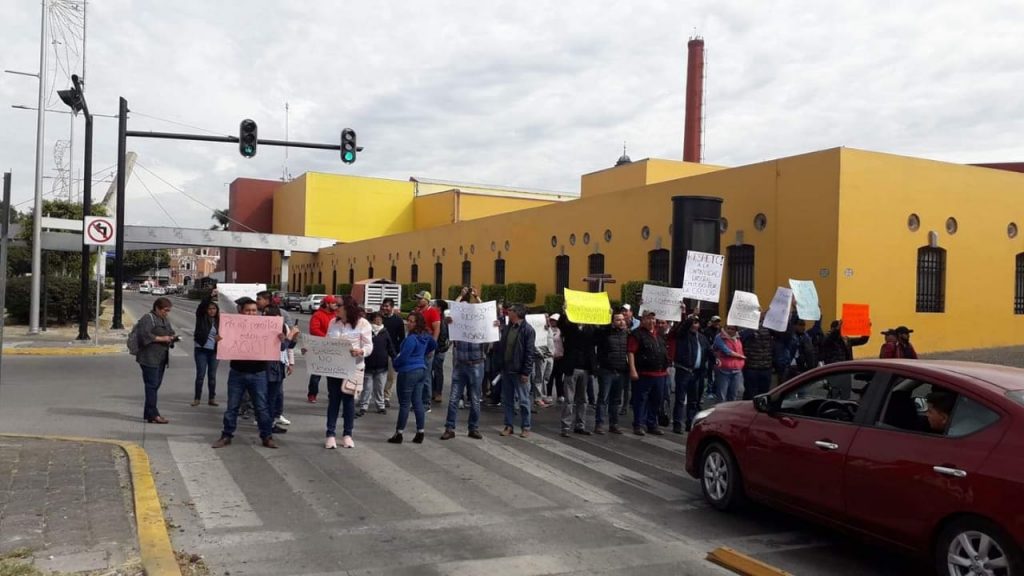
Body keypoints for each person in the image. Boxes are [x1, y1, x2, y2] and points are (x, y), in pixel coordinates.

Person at [212, 297, 278, 449]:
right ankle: (227, 435)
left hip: (259, 373)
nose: (251, 313)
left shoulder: (266, 326)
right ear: (241, 312)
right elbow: (220, 352)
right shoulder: (232, 327)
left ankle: (266, 436)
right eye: (248, 310)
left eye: (254, 310)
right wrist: (219, 342)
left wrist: (281, 339)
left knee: (261, 407)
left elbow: (279, 348)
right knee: (232, 407)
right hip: (238, 372)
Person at [323, 295, 372, 449]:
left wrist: (361, 351)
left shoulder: (362, 323)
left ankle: (347, 434)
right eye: (334, 305)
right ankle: (330, 434)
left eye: (338, 305)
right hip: (335, 368)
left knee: (349, 401)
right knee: (334, 401)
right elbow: (327, 341)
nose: (334, 308)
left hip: (353, 368)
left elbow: (369, 346)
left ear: (347, 307)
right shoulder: (333, 322)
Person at [441, 292, 488, 439]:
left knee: (475, 398)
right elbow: (451, 309)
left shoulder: (481, 326)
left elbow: (486, 312)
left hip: (476, 364)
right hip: (460, 364)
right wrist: (460, 296)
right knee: (454, 397)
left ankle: (473, 428)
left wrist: (478, 297)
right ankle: (449, 428)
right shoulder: (454, 324)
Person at [389, 311, 436, 444]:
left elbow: (403, 356)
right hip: (421, 370)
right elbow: (434, 345)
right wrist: (423, 354)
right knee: (417, 403)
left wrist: (395, 364)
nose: (408, 323)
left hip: (408, 371)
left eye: (411, 321)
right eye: (408, 320)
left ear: (417, 323)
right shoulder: (425, 336)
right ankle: (420, 432)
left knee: (404, 403)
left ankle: (399, 433)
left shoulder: (411, 339)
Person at [495, 303, 535, 438]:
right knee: (507, 400)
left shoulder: (527, 330)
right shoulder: (508, 328)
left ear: (517, 313)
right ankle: (508, 425)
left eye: (510, 310)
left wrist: (526, 372)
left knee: (524, 400)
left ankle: (526, 427)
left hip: (519, 372)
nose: (508, 312)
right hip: (507, 369)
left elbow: (529, 353)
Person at [627, 310, 670, 436]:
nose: (651, 321)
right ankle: (638, 424)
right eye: (648, 318)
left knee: (656, 400)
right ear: (642, 320)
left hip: (660, 374)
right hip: (643, 373)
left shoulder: (659, 334)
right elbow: (631, 352)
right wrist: (633, 369)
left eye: (653, 319)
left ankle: (652, 424)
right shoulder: (636, 334)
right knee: (640, 400)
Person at [136, 297, 177, 424]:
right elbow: (144, 336)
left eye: (168, 311)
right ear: (157, 308)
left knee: (155, 386)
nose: (166, 313)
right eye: (165, 310)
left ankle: (149, 414)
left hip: (161, 358)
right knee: (151, 386)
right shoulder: (148, 318)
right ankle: (154, 414)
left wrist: (172, 337)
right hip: (149, 358)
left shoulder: (164, 319)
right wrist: (161, 338)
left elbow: (170, 331)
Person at [670, 315, 713, 433]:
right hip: (684, 371)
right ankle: (677, 424)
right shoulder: (683, 335)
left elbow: (709, 351)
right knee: (680, 399)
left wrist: (715, 360)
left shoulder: (703, 338)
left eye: (697, 323)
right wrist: (690, 317)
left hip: (697, 373)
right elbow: (682, 328)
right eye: (693, 323)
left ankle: (690, 423)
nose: (695, 325)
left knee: (693, 401)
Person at [557, 312, 596, 436]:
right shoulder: (570, 327)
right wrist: (565, 312)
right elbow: (561, 324)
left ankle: (580, 425)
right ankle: (566, 427)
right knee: (569, 399)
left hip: (585, 368)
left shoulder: (590, 328)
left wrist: (609, 317)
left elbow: (601, 335)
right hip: (571, 367)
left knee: (582, 399)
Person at [264, 306, 300, 434]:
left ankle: (271, 422)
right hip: (269, 366)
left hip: (279, 365)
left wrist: (294, 336)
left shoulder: (283, 327)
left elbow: (288, 346)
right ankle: (266, 424)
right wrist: (290, 335)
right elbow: (280, 347)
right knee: (269, 396)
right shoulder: (266, 329)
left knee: (275, 395)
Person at [593, 310, 630, 435]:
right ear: (612, 322)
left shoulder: (626, 334)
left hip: (621, 371)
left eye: (622, 319)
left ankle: (614, 424)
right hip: (607, 370)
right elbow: (598, 335)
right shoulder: (605, 333)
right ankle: (599, 424)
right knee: (603, 398)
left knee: (616, 400)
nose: (621, 322)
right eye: (618, 320)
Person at [357, 312, 394, 417]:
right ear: (372, 320)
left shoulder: (385, 332)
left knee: (380, 387)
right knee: (367, 388)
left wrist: (395, 358)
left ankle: (380, 406)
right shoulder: (367, 332)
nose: (378, 321)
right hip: (369, 364)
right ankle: (363, 406)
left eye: (380, 319)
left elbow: (390, 347)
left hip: (382, 366)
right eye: (376, 319)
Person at [305, 295, 337, 403]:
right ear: (327, 304)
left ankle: (332, 395)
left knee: (332, 374)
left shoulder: (337, 315)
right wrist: (326, 338)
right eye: (333, 303)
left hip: (333, 349)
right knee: (316, 374)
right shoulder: (317, 315)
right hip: (319, 348)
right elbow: (314, 329)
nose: (335, 305)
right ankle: (312, 394)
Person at [192, 299, 220, 407]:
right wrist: (209, 296)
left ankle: (211, 398)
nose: (212, 311)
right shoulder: (201, 318)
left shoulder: (219, 321)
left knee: (212, 376)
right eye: (210, 309)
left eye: (214, 309)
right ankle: (197, 398)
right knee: (200, 375)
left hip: (214, 351)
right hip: (201, 350)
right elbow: (201, 307)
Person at [379, 297, 406, 407]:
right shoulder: (378, 319)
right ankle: (378, 396)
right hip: (379, 352)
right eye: (384, 306)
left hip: (392, 352)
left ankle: (386, 397)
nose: (385, 308)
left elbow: (402, 337)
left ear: (392, 308)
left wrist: (398, 352)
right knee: (378, 376)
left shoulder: (398, 320)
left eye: (387, 306)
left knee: (390, 377)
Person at [740, 319, 774, 401]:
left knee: (764, 394)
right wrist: (753, 325)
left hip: (766, 367)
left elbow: (783, 333)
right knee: (750, 394)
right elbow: (742, 337)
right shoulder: (744, 327)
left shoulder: (769, 327)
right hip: (751, 367)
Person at [712, 325, 746, 402]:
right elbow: (727, 351)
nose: (730, 330)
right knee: (722, 396)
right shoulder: (719, 337)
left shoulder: (738, 337)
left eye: (732, 329)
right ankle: (721, 413)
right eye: (728, 328)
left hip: (737, 370)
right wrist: (741, 356)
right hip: (724, 370)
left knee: (733, 395)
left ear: (736, 330)